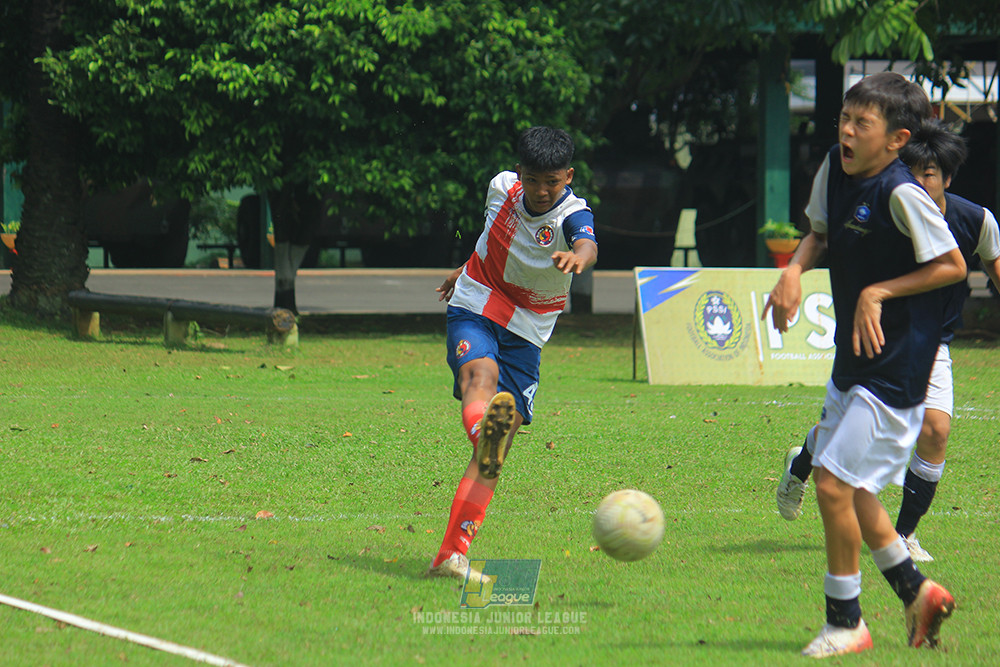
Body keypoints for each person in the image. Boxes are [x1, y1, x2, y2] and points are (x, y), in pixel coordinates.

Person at [762, 72, 966, 658]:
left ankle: (846, 621)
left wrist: (877, 293)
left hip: (899, 368)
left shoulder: (903, 193)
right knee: (851, 491)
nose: (847, 132)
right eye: (844, 119)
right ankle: (917, 591)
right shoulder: (835, 165)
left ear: (897, 139)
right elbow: (818, 234)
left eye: (862, 124)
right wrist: (794, 270)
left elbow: (952, 264)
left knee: (831, 485)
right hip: (853, 360)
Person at [776, 119, 1000, 564]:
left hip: (930, 344)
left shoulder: (975, 221)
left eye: (928, 173)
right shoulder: (881, 208)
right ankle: (801, 464)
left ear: (948, 178)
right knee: (843, 439)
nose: (916, 181)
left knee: (936, 430)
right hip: (872, 338)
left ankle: (905, 534)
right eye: (909, 170)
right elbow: (822, 238)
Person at [426, 126, 598, 582]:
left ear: (568, 177)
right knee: (478, 378)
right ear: (519, 173)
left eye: (554, 182)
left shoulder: (573, 213)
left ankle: (451, 554)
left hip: (529, 330)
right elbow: (493, 237)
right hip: (479, 299)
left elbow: (586, 241)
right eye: (536, 180)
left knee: (492, 455)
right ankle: (484, 424)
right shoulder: (501, 188)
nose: (543, 191)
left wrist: (580, 257)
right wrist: (462, 270)